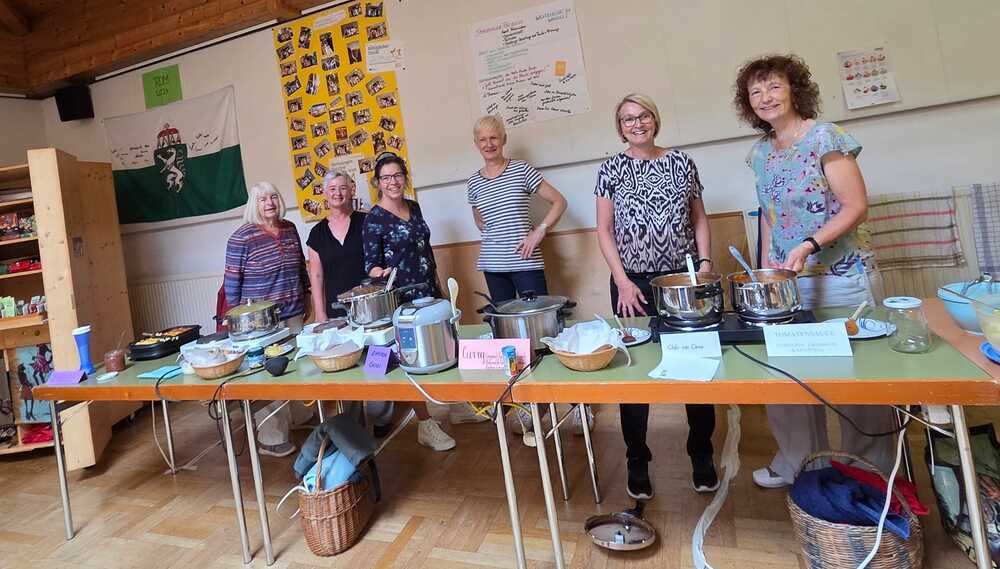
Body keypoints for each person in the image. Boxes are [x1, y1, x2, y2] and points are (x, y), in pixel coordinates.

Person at [733, 54, 894, 488]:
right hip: (788, 285)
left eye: (774, 86)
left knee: (858, 380)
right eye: (755, 91)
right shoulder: (760, 153)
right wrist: (765, 271)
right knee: (786, 375)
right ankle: (798, 464)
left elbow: (855, 206)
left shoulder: (826, 137)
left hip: (843, 277)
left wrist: (808, 245)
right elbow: (769, 216)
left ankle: (868, 474)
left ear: (795, 90)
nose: (765, 97)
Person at [595, 93, 718, 499]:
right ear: (620, 127)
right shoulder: (610, 168)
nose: (637, 123)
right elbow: (604, 230)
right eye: (628, 118)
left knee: (694, 365)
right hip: (631, 283)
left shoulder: (682, 162)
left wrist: (704, 264)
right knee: (634, 371)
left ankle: (701, 453)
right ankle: (636, 458)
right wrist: (622, 280)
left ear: (655, 119)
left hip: (683, 281)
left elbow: (699, 218)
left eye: (644, 115)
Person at [466, 115, 586, 445]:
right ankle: (532, 407)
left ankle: (577, 405)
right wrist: (499, 237)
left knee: (547, 335)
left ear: (503, 139)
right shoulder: (473, 182)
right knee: (509, 342)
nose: (489, 144)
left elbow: (559, 202)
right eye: (482, 139)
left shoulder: (521, 170)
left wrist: (539, 231)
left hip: (526, 263)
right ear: (476, 144)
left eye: (494, 137)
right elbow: (481, 221)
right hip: (494, 267)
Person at [362, 153, 472, 451]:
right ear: (378, 183)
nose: (393, 182)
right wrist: (380, 273)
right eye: (386, 177)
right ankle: (425, 424)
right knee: (411, 359)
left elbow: (425, 249)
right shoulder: (374, 218)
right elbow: (371, 265)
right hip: (403, 299)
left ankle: (457, 406)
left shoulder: (414, 206)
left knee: (446, 345)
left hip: (430, 290)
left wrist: (439, 286)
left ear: (405, 177)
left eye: (397, 175)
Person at [224, 182, 313, 457]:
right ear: (254, 205)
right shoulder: (241, 238)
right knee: (269, 376)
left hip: (293, 311)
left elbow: (300, 267)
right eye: (262, 199)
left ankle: (297, 418)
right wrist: (238, 321)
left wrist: (307, 295)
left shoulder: (289, 228)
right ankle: (270, 437)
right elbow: (231, 285)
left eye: (273, 196)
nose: (270, 203)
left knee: (295, 367)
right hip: (260, 323)